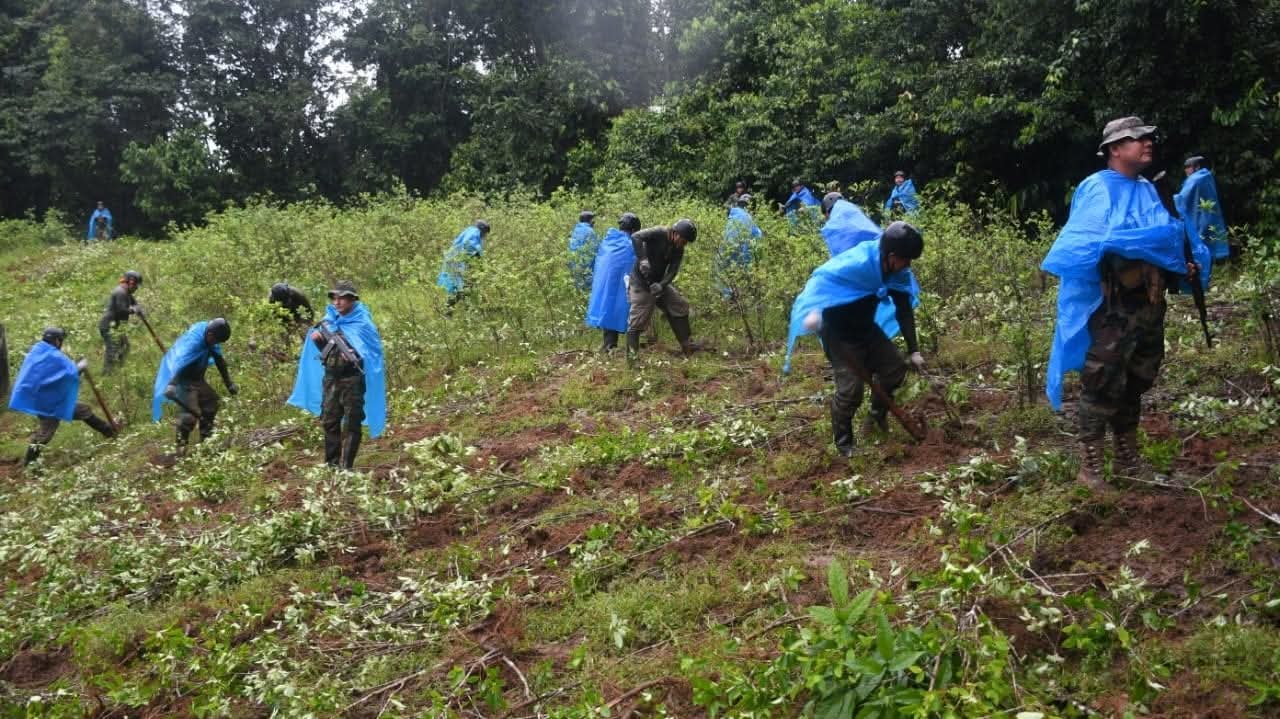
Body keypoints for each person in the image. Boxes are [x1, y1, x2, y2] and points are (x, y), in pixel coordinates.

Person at [1041, 116, 1210, 490]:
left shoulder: (1152, 190)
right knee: (1102, 382)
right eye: (1137, 138)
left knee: (1136, 381)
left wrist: (1181, 262)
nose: (1148, 143)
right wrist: (1146, 244)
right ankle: (1090, 467)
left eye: (1150, 137)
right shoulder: (1098, 189)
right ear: (1115, 149)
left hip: (1149, 305)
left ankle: (1127, 458)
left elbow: (1169, 236)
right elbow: (1086, 243)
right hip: (1114, 308)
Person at [785, 223, 925, 457]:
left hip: (866, 328)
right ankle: (844, 444)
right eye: (906, 259)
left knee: (895, 369)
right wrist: (815, 311)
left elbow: (903, 310)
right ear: (891, 256)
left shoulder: (898, 272)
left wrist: (914, 351)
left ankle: (876, 416)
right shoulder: (857, 264)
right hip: (837, 333)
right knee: (851, 391)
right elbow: (821, 280)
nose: (908, 265)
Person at [288, 281, 387, 470]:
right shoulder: (329, 320)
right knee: (330, 421)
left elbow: (371, 353)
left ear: (352, 299)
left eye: (342, 298)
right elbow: (326, 351)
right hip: (331, 377)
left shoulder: (362, 323)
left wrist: (353, 355)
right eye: (334, 297)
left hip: (352, 379)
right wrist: (319, 342)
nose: (337, 302)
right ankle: (331, 465)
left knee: (352, 423)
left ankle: (346, 467)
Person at [9, 328, 116, 467]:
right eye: (61, 341)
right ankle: (29, 465)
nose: (61, 344)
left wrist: (75, 368)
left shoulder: (37, 350)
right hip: (48, 403)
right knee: (45, 433)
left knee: (83, 410)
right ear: (56, 340)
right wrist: (79, 367)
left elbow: (54, 374)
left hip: (43, 398)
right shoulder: (53, 356)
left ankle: (109, 431)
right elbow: (67, 374)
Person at [152, 318, 238, 454]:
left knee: (211, 403)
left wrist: (229, 383)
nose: (216, 344)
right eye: (216, 341)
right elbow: (180, 362)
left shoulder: (211, 337)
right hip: (182, 380)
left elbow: (219, 361)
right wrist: (172, 384)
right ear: (210, 335)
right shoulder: (193, 343)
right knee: (190, 415)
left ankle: (206, 441)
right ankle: (180, 448)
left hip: (197, 379)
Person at [627, 219, 701, 359]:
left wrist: (662, 285)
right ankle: (632, 361)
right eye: (683, 240)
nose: (683, 244)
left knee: (679, 305)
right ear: (676, 234)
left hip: (658, 283)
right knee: (637, 322)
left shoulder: (678, 249)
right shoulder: (658, 232)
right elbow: (636, 236)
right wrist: (643, 259)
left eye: (685, 243)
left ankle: (687, 346)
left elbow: (672, 271)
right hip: (641, 283)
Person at [586, 213, 640, 352]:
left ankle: (609, 345)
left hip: (605, 287)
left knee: (608, 309)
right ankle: (628, 349)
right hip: (623, 286)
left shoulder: (608, 241)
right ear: (634, 229)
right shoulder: (631, 244)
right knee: (624, 309)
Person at [1175, 155, 1229, 262]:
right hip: (1208, 216)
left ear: (1197, 166)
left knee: (1199, 254)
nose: (1186, 170)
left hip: (1200, 219)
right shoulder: (1207, 176)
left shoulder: (1196, 179)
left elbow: (1182, 198)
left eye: (1188, 167)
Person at [714, 195, 763, 297]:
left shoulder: (732, 213)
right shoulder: (750, 219)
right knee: (740, 272)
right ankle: (737, 296)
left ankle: (725, 296)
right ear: (749, 207)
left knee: (721, 269)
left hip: (725, 246)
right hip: (740, 249)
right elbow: (758, 236)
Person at [99, 270, 143, 374]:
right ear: (131, 282)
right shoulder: (120, 292)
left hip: (117, 327)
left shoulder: (127, 293)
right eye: (136, 285)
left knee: (124, 346)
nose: (136, 288)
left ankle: (119, 370)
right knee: (112, 350)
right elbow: (121, 310)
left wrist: (139, 309)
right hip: (109, 326)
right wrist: (133, 310)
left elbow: (135, 303)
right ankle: (107, 375)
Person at [437, 219, 490, 306]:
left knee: (463, 286)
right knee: (463, 287)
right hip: (458, 262)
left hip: (455, 260)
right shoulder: (475, 233)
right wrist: (480, 264)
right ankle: (450, 308)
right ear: (482, 230)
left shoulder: (471, 231)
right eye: (485, 233)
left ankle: (457, 308)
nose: (485, 236)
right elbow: (470, 246)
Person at [820, 192, 881, 257]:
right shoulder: (852, 208)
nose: (827, 219)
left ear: (827, 211)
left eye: (826, 216)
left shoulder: (834, 224)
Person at [568, 211, 600, 291]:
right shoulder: (590, 232)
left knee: (578, 290)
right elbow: (595, 251)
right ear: (590, 220)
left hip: (574, 267)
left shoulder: (575, 231)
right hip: (586, 269)